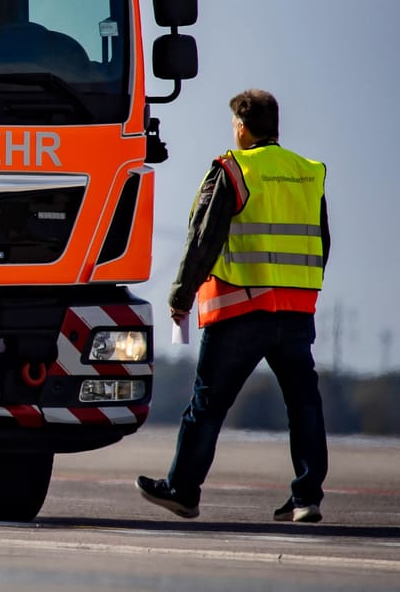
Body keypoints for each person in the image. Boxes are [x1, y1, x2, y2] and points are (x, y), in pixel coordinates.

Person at [139, 89, 330, 522]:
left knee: (206, 405)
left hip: (241, 310)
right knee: (304, 404)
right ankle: (306, 497)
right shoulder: (307, 173)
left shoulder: (232, 168)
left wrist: (180, 294)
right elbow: (323, 242)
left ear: (242, 127)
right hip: (296, 311)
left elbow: (204, 238)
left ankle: (183, 490)